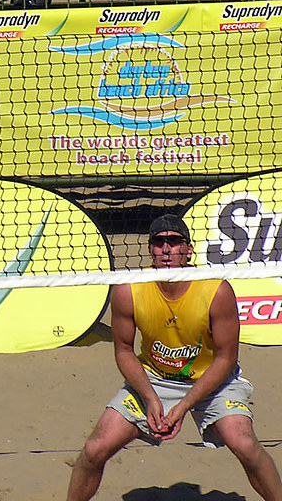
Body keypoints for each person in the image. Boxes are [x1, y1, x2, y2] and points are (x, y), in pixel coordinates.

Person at [66, 214, 282, 501]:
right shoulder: (128, 289)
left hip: (212, 382)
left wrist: (183, 406)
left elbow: (226, 359)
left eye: (174, 242)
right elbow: (124, 351)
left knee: (244, 445)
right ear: (150, 249)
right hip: (153, 379)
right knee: (94, 449)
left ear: (188, 250)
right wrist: (151, 397)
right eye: (159, 242)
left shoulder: (216, 290)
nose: (166, 249)